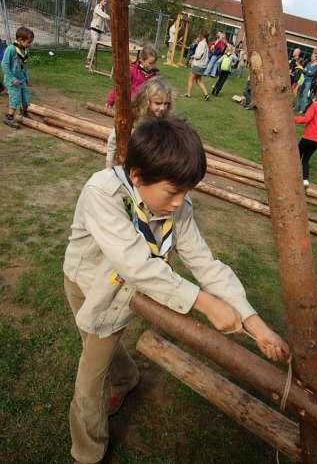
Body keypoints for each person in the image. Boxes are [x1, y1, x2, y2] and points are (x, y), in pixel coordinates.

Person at [64, 116, 289, 464]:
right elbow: (136, 264)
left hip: (119, 295)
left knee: (88, 378)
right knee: (94, 341)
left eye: (186, 192)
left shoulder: (176, 208)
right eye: (173, 192)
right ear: (137, 177)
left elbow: (205, 264)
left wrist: (255, 323)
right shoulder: (102, 193)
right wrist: (205, 303)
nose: (179, 203)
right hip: (83, 282)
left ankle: (86, 454)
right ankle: (124, 384)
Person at [106, 77, 172, 168]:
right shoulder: (133, 117)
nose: (163, 108)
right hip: (127, 162)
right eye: (158, 103)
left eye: (166, 104)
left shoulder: (164, 120)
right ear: (146, 101)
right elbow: (114, 137)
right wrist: (109, 163)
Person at [1, 26, 34, 129]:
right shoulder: (10, 49)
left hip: (21, 80)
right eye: (28, 42)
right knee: (15, 98)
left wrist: (27, 78)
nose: (30, 44)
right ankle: (9, 117)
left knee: (26, 97)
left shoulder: (24, 50)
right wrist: (12, 79)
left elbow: (24, 66)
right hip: (12, 81)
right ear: (20, 40)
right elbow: (4, 65)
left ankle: (24, 112)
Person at [185, 29, 210, 100]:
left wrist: (192, 56)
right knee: (199, 80)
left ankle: (188, 94)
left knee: (191, 78)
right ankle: (206, 95)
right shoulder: (205, 44)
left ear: (202, 35)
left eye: (199, 34)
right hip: (203, 66)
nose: (198, 35)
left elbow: (198, 56)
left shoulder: (202, 44)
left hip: (198, 65)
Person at [86, 0, 110, 68]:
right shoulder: (97, 7)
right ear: (101, 1)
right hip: (94, 29)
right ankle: (88, 60)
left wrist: (107, 28)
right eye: (104, 1)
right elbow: (102, 14)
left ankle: (92, 60)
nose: (105, 3)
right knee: (94, 44)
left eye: (106, 2)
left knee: (95, 46)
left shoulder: (104, 10)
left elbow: (104, 20)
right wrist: (109, 17)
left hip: (99, 30)